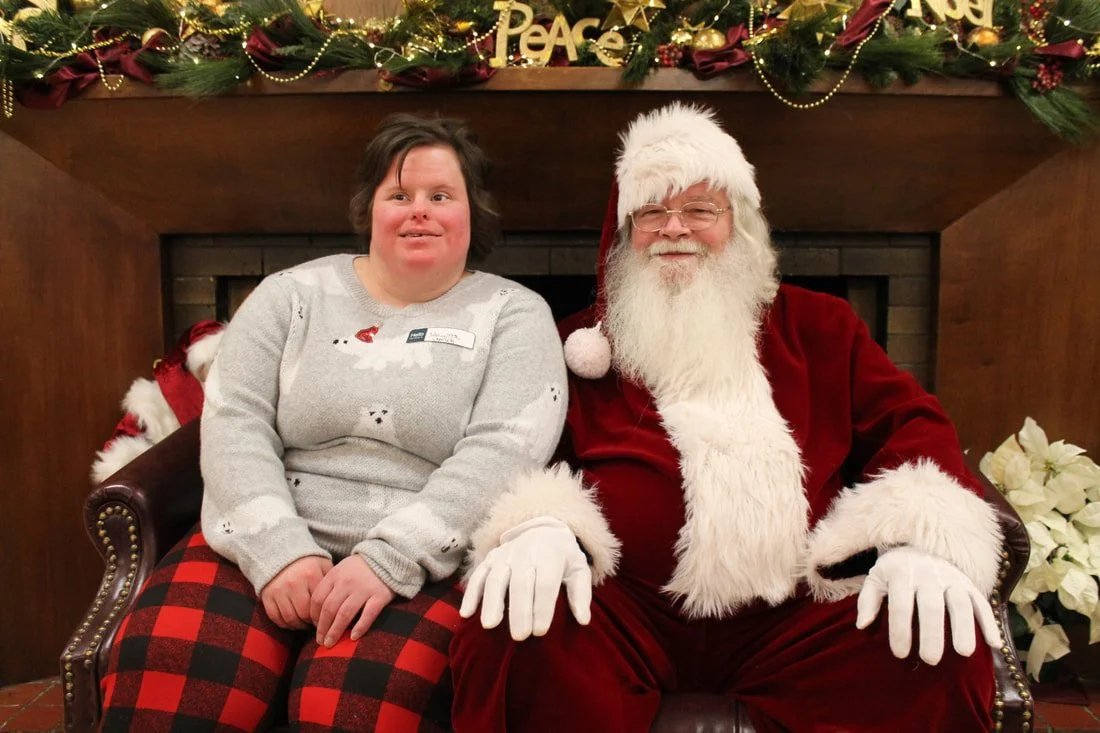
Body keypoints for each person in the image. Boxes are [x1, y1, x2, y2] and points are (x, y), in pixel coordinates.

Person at [451, 103, 1004, 733]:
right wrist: (541, 524)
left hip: (799, 615)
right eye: (652, 211)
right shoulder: (578, 345)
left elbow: (912, 425)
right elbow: (527, 448)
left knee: (938, 650)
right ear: (626, 232)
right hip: (625, 613)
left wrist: (916, 539)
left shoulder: (823, 326)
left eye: (700, 210)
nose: (674, 228)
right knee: (510, 633)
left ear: (737, 223)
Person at [99, 113, 567, 732]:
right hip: (265, 534)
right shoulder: (290, 295)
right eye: (398, 195)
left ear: (472, 213)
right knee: (169, 664)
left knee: (356, 704)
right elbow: (235, 420)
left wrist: (387, 560)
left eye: (440, 196)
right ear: (370, 209)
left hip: (422, 558)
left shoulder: (515, 314)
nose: (418, 211)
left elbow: (504, 451)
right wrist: (279, 551)